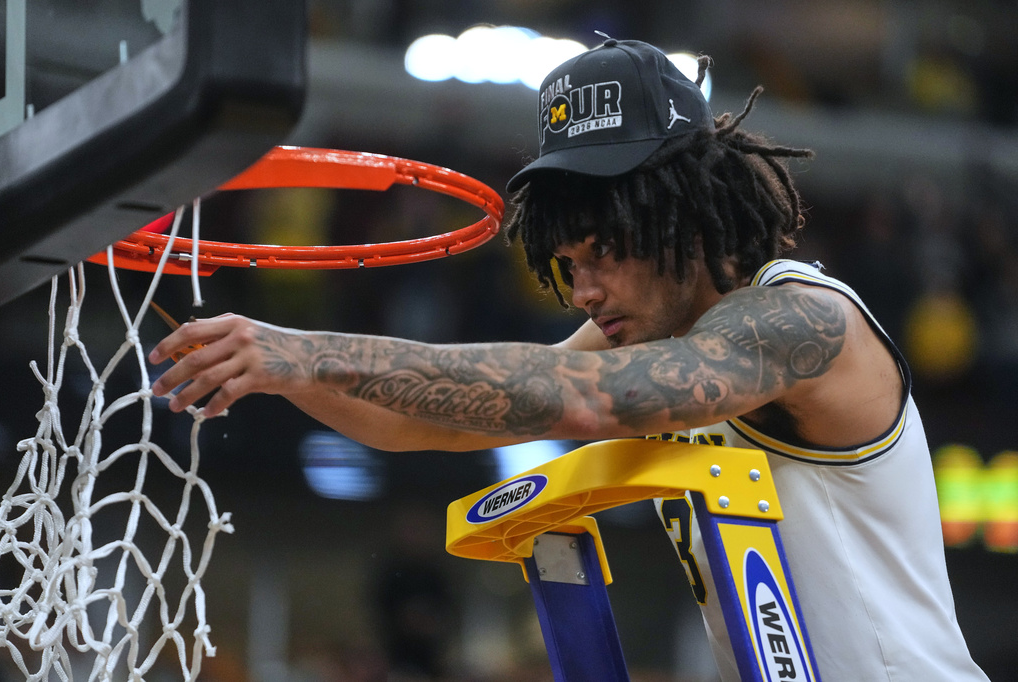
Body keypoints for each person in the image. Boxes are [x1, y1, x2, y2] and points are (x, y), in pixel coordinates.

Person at [150, 38, 988, 681]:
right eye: (567, 261)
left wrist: (314, 348)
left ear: (681, 216)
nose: (582, 290)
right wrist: (277, 365)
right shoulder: (659, 330)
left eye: (602, 251)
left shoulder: (803, 321)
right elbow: (418, 416)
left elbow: (581, 399)